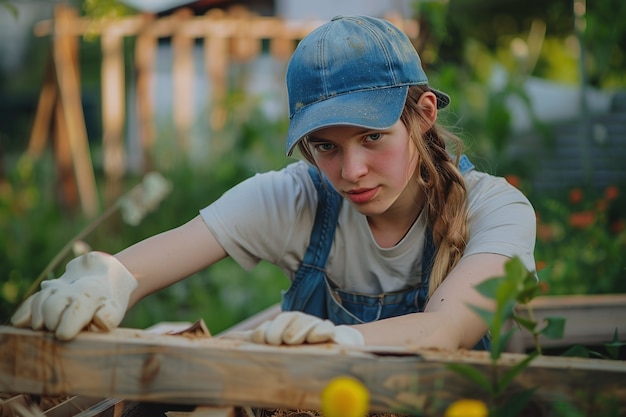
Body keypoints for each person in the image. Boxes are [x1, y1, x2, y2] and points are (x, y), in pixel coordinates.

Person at [11, 15, 536, 350]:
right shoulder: (298, 199)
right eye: (326, 147)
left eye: (372, 137)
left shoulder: (496, 211)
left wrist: (336, 339)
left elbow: (445, 331)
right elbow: (148, 261)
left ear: (421, 116)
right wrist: (108, 277)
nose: (350, 171)